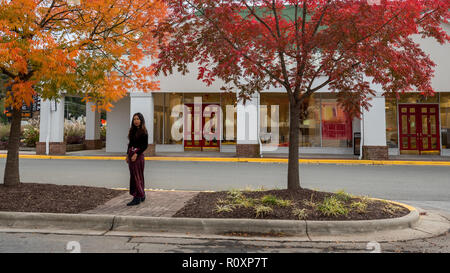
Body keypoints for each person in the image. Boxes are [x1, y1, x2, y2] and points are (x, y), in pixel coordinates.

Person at [125, 113, 148, 206]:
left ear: (141, 120)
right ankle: (141, 194)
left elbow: (144, 146)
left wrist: (136, 154)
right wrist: (127, 155)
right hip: (131, 155)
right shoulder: (132, 131)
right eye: (134, 119)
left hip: (138, 157)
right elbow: (130, 144)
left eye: (138, 119)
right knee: (134, 176)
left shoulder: (144, 132)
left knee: (137, 177)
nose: (136, 121)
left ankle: (137, 197)